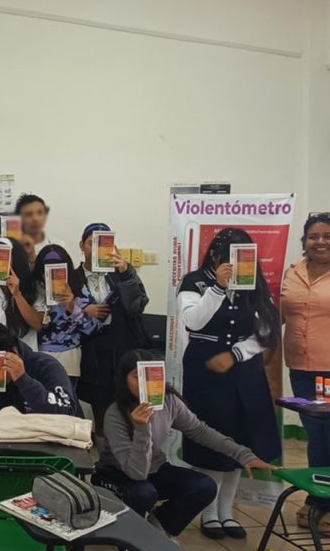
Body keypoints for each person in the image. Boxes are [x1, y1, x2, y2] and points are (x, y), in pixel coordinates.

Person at [94, 350, 276, 539]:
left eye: (153, 376)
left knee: (204, 486)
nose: (144, 383)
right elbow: (136, 473)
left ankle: (160, 524)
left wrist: (244, 455)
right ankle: (132, 537)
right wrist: (142, 428)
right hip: (118, 473)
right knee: (144, 493)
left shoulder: (169, 401)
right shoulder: (115, 413)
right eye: (136, 376)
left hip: (155, 469)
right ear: (124, 380)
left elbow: (200, 431)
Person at [177, 227, 282, 539]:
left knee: (239, 440)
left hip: (244, 368)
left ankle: (227, 511)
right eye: (229, 255)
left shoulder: (255, 283)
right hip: (206, 367)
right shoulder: (195, 281)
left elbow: (268, 329)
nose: (235, 262)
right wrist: (218, 288)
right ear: (214, 255)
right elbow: (193, 321)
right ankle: (209, 512)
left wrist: (237, 353)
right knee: (213, 438)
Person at [73, 224, 149, 433]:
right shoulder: (73, 277)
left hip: (122, 344)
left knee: (128, 405)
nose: (97, 249)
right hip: (91, 349)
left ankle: (130, 446)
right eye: (91, 243)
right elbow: (61, 314)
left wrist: (125, 273)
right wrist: (84, 311)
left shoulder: (122, 272)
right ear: (81, 246)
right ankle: (103, 446)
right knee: (100, 408)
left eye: (104, 244)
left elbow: (137, 307)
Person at [281, 212, 330, 526]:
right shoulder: (293, 273)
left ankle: (322, 502)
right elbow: (278, 315)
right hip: (300, 369)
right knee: (316, 433)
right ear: (305, 241)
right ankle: (318, 496)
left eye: (327, 236)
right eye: (314, 236)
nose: (320, 242)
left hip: (329, 371)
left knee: (327, 434)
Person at [0, 323, 79, 451]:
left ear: (14, 354)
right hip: (4, 454)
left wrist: (23, 380)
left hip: (52, 451)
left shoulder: (45, 366)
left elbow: (67, 414)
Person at [32, 245, 102, 387]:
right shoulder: (32, 290)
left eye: (58, 270)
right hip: (36, 356)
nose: (52, 274)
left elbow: (95, 328)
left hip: (68, 359)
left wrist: (72, 308)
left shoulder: (78, 289)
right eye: (46, 270)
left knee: (63, 399)